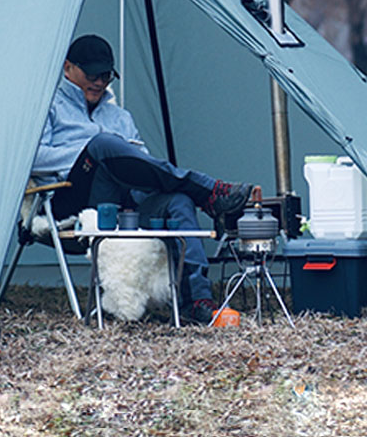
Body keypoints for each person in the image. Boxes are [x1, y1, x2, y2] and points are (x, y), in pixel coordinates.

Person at [33, 34, 252, 325]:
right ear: (67, 67)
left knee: (177, 200)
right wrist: (91, 149)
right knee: (103, 145)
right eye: (92, 74)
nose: (99, 82)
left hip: (125, 204)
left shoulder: (120, 116)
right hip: (72, 201)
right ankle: (207, 190)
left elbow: (145, 167)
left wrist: (112, 152)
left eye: (106, 75)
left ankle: (197, 301)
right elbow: (35, 158)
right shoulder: (48, 107)